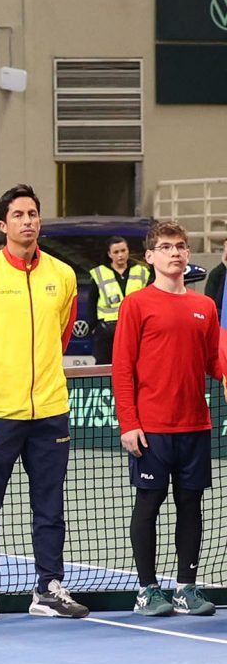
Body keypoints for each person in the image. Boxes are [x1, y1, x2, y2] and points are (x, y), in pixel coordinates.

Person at [0, 184, 89, 621]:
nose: (27, 221)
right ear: (3, 224)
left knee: (50, 504)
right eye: (18, 215)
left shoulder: (63, 276)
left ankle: (48, 587)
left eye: (33, 214)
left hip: (51, 410)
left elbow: (61, 335)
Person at [114, 219, 224, 615]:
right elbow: (122, 368)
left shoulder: (204, 306)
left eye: (180, 246)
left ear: (188, 254)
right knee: (149, 504)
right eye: (165, 247)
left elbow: (216, 361)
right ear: (150, 256)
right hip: (151, 429)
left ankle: (186, 588)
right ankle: (148, 590)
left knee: (191, 507)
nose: (174, 253)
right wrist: (129, 422)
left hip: (195, 426)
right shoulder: (136, 304)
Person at [90, 234, 151, 362]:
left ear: (128, 251)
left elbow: (150, 299)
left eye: (123, 251)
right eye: (116, 252)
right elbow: (92, 301)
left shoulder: (141, 271)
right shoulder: (99, 273)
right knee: (105, 368)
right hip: (108, 330)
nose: (120, 255)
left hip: (136, 327)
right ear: (109, 254)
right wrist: (94, 326)